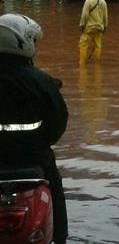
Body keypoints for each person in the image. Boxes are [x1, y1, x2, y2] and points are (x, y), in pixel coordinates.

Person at [0, 13, 69, 244]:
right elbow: (58, 124)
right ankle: (60, 238)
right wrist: (38, 142)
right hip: (34, 158)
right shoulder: (41, 82)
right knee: (56, 192)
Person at [79, 0, 108, 65]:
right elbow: (105, 16)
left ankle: (82, 64)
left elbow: (84, 15)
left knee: (83, 44)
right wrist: (105, 27)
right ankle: (96, 64)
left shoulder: (88, 1)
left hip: (89, 28)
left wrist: (82, 25)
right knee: (98, 45)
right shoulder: (103, 2)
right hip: (99, 28)